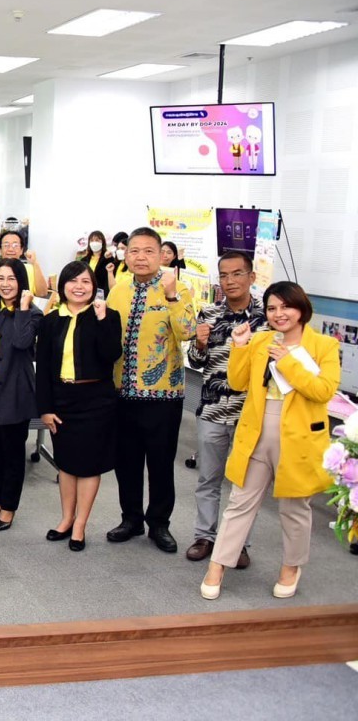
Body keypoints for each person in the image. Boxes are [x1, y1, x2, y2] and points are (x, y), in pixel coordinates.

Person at [200, 282, 340, 600]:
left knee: (295, 507)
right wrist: (239, 347)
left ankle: (291, 566)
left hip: (300, 436)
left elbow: (323, 391)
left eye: (285, 306)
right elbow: (237, 382)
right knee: (240, 502)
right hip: (257, 430)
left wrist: (287, 362)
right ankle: (218, 565)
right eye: (272, 308)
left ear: (301, 308)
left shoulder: (324, 345)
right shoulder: (261, 340)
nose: (279, 314)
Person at [105, 227, 196, 552]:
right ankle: (130, 519)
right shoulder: (118, 290)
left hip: (163, 396)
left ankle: (159, 523)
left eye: (148, 251)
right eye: (134, 251)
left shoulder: (178, 288)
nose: (141, 257)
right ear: (126, 255)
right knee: (126, 462)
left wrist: (171, 297)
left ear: (160, 255)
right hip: (122, 393)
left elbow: (188, 332)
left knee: (160, 463)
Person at [185, 252, 266, 566]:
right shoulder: (208, 313)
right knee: (209, 477)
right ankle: (204, 536)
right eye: (224, 275)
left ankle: (238, 544)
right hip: (213, 408)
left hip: (251, 411)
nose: (230, 281)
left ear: (251, 277)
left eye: (237, 273)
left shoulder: (266, 316)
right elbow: (195, 361)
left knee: (244, 483)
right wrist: (199, 343)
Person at [36, 261, 123, 551]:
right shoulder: (51, 320)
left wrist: (102, 319)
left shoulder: (107, 315)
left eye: (85, 281)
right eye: (73, 281)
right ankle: (66, 518)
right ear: (63, 286)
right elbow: (43, 368)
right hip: (62, 399)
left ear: (94, 287)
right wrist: (45, 408)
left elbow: (111, 354)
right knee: (66, 463)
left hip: (96, 400)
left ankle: (80, 524)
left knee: (88, 465)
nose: (79, 287)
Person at [0, 259, 42, 531]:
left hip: (15, 390)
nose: (5, 284)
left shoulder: (34, 314)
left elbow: (22, 342)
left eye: (11, 279)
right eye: (0, 279)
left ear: (21, 282)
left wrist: (23, 308)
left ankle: (8, 506)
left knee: (13, 452)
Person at [0, 229, 49, 298]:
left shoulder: (30, 269)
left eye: (15, 245)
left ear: (21, 250)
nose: (11, 249)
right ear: (0, 250)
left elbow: (42, 293)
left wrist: (35, 263)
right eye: (6, 245)